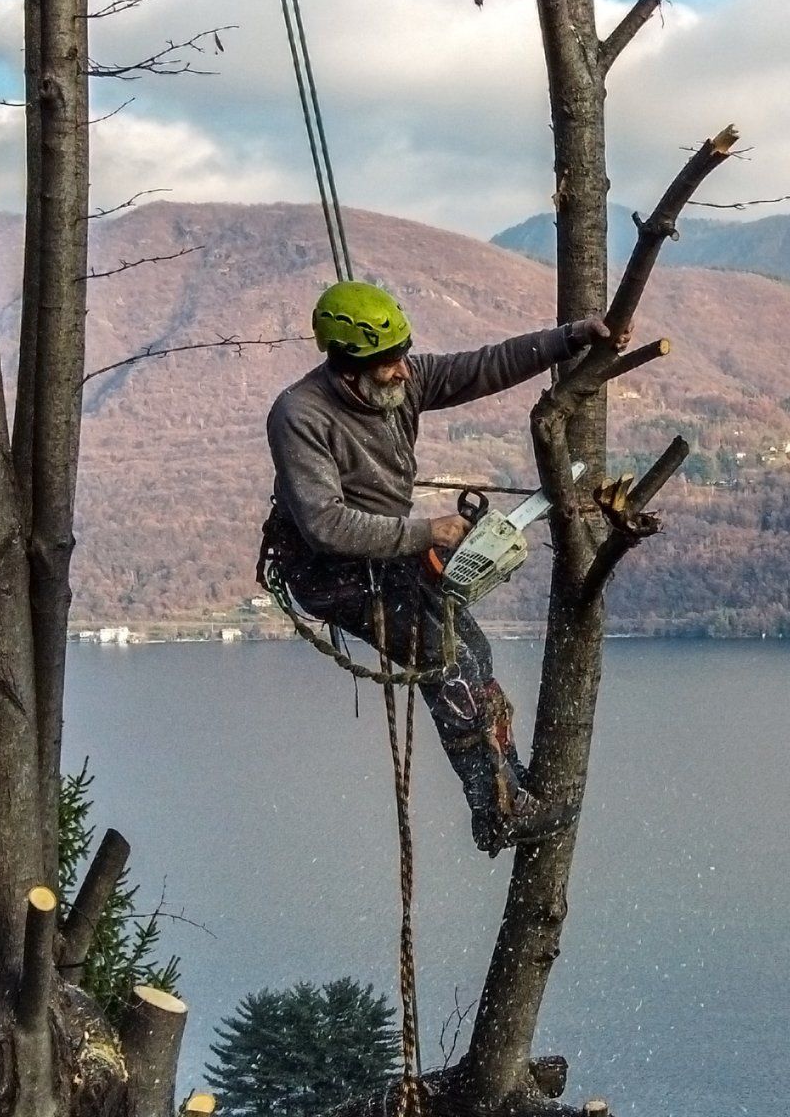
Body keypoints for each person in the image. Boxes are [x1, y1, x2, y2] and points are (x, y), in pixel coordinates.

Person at [260, 279, 621, 855]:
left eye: (403, 358)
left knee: (473, 651)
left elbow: (483, 366)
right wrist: (425, 533)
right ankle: (499, 808)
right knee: (448, 662)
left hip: (387, 554)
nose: (403, 372)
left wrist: (571, 338)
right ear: (347, 367)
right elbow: (324, 525)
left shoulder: (401, 382)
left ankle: (504, 783)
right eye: (388, 364)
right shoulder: (300, 414)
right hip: (330, 573)